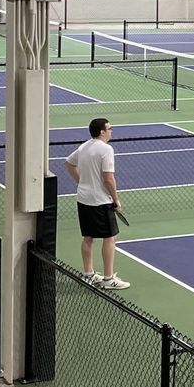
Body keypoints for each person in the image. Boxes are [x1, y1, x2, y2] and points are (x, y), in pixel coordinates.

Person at [64, 118, 128, 290]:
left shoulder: (84, 146)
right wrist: (116, 199)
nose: (111, 130)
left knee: (88, 237)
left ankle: (88, 275)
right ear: (102, 131)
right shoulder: (106, 149)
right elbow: (108, 178)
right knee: (110, 237)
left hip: (83, 198)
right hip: (100, 200)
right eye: (109, 128)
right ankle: (108, 279)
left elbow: (68, 163)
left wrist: (81, 181)